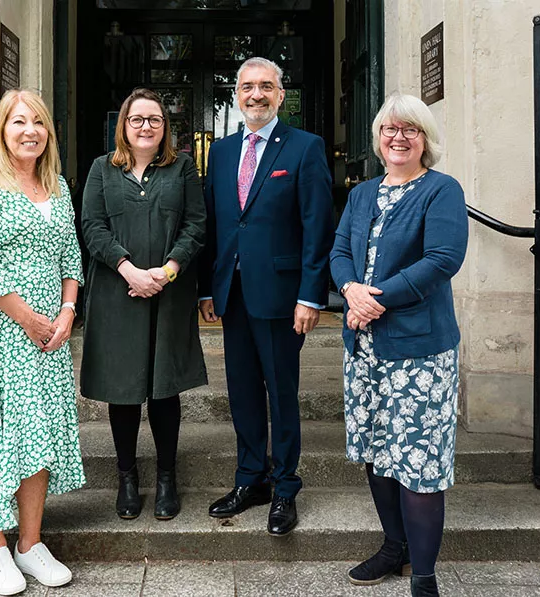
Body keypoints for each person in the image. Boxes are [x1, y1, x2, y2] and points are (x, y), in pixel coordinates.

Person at [329, 93, 468, 597]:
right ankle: (394, 546)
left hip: (420, 351)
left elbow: (442, 259)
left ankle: (425, 576)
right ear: (378, 138)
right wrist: (348, 290)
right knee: (377, 448)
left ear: (425, 138)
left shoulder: (441, 190)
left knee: (419, 459)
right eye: (389, 129)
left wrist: (375, 299)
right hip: (364, 348)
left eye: (410, 129)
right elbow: (340, 250)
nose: (399, 137)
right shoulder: (363, 193)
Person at [198, 57, 334, 536]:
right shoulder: (220, 151)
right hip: (231, 295)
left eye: (266, 87)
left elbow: (318, 228)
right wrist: (205, 289)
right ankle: (250, 479)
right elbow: (215, 225)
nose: (256, 95)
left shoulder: (304, 148)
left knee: (281, 392)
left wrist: (311, 296)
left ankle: (285, 487)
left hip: (281, 295)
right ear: (236, 94)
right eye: (247, 87)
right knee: (242, 393)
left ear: (280, 94)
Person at [0, 89, 83, 595]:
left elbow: (71, 257)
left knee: (39, 434)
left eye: (38, 123)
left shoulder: (58, 185)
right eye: (18, 122)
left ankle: (30, 543)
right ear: (2, 130)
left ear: (48, 133)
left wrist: (68, 310)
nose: (29, 131)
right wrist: (30, 319)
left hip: (50, 334)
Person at [81, 88, 207, 521]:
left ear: (164, 127)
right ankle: (127, 477)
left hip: (168, 294)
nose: (146, 126)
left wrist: (166, 272)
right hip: (119, 293)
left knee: (163, 388)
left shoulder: (183, 168)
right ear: (124, 126)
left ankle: (168, 478)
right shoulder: (102, 169)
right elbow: (92, 227)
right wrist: (129, 270)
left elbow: (196, 225)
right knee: (124, 390)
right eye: (137, 119)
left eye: (154, 119)